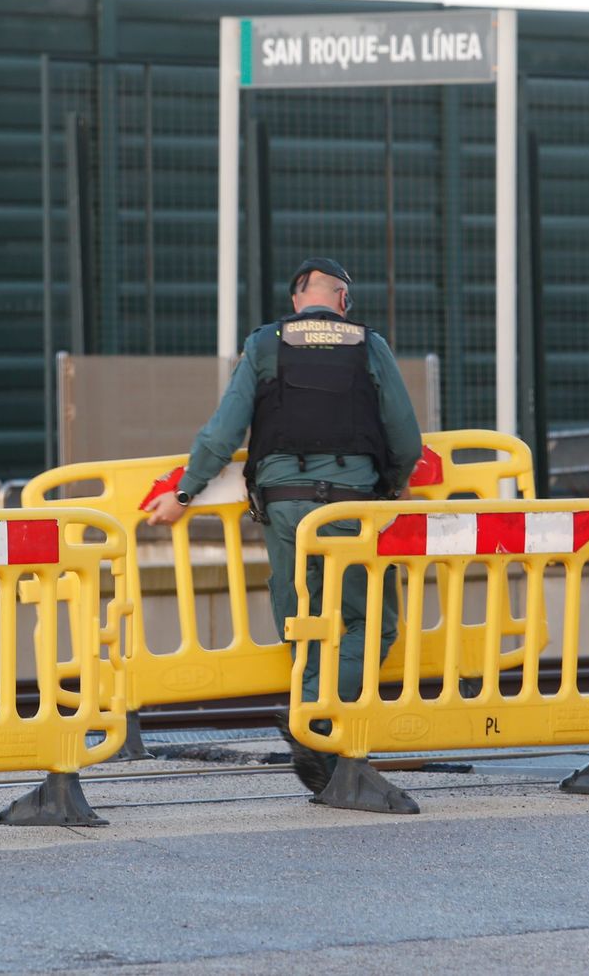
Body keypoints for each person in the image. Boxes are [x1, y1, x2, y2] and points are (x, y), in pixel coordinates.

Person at [144, 257, 423, 809]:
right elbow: (405, 436)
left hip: (282, 506)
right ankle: (313, 720)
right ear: (343, 299)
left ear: (299, 298)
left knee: (303, 617)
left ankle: (316, 736)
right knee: (371, 622)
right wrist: (393, 487)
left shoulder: (265, 343)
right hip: (349, 507)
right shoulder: (369, 344)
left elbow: (223, 430)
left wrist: (183, 494)